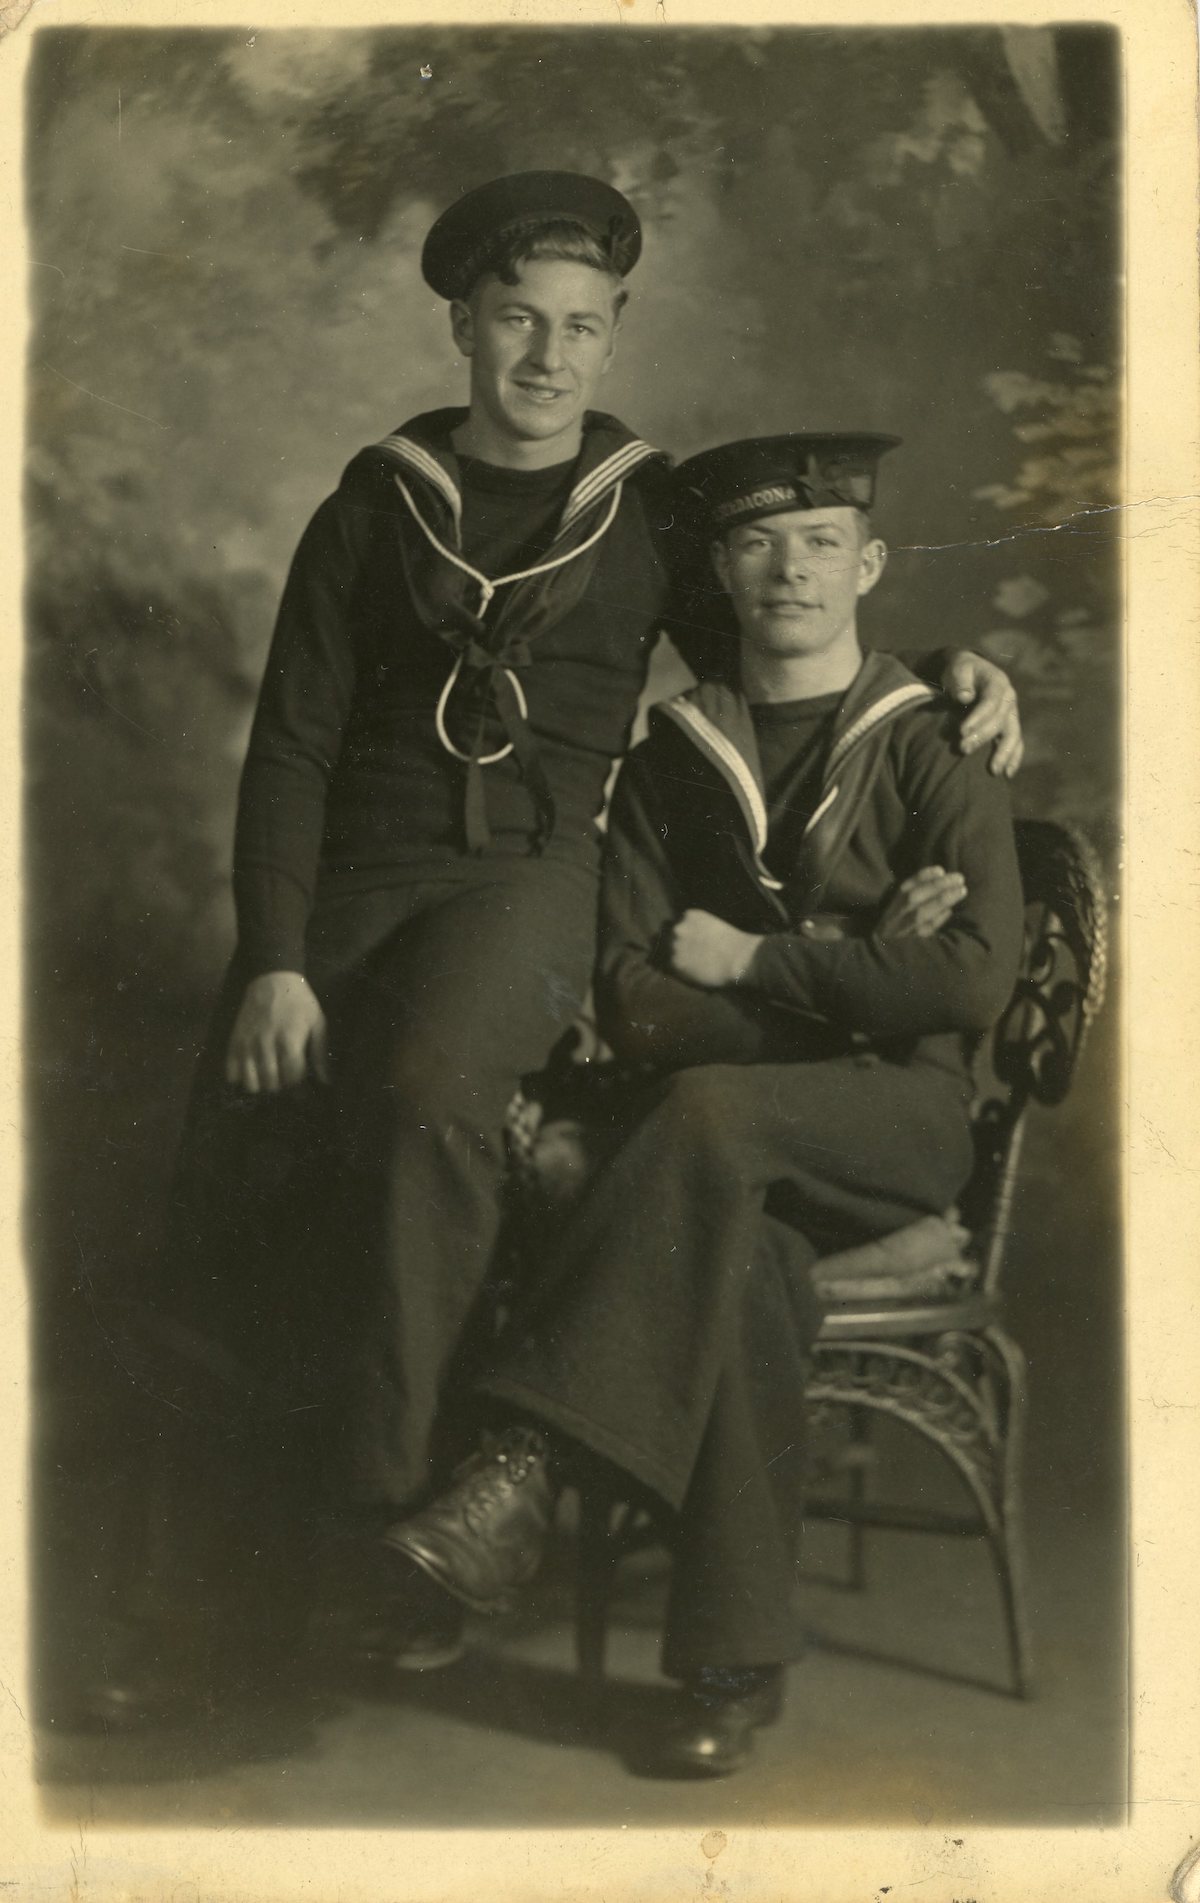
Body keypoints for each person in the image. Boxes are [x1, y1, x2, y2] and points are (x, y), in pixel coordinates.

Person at [88, 175, 1022, 1725]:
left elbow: (786, 641)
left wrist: (951, 672)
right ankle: (197, 1598)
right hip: (348, 882)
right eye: (519, 319)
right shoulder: (369, 507)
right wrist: (273, 955)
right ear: (464, 324)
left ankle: (394, 1539)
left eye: (582, 328)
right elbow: (293, 750)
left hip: (531, 876)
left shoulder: (655, 512)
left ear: (613, 339)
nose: (548, 356)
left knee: (428, 1105)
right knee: (243, 1152)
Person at [378, 432, 1025, 1776]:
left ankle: (524, 1463)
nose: (789, 569)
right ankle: (730, 1671)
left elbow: (966, 988)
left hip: (897, 1124)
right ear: (718, 571)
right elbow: (633, 997)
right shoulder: (678, 756)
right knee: (741, 1254)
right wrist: (859, 973)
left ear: (872, 564)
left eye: (822, 543)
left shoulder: (936, 742)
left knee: (714, 1118)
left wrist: (754, 962)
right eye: (753, 543)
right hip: (722, 1136)